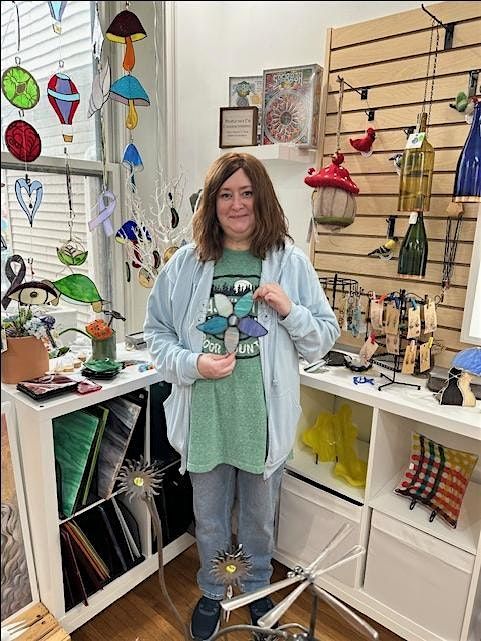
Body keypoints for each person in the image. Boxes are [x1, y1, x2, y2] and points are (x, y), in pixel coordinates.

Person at [144, 152, 340, 640]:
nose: (237, 204)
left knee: (258, 521)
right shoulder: (186, 264)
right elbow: (156, 335)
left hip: (261, 421)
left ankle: (254, 589)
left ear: (262, 198)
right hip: (206, 418)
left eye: (247, 193)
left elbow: (322, 338)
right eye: (226, 194)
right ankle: (213, 590)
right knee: (209, 518)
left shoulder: (289, 262)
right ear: (212, 203)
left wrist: (290, 310)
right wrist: (193, 364)